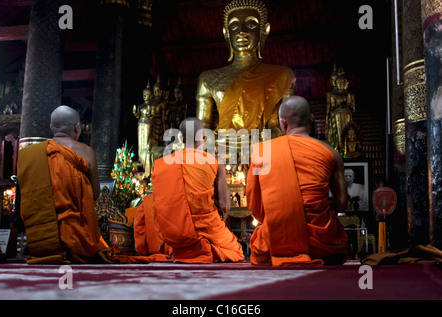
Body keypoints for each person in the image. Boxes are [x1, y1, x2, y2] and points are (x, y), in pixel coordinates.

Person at [247, 96, 349, 266]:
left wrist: (283, 216)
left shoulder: (262, 151)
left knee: (260, 243)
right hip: (322, 244)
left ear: (283, 122)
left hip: (275, 241)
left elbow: (256, 208)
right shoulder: (331, 153)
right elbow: (341, 204)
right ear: (311, 118)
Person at [17, 105, 112, 264]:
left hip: (41, 241)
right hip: (77, 238)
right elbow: (95, 194)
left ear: (51, 127)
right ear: (77, 127)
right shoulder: (86, 152)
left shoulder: (31, 155)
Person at [145, 117, 244, 263]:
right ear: (203, 138)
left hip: (175, 234)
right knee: (235, 251)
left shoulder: (163, 164)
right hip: (207, 228)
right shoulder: (214, 163)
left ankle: (187, 249)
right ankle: (203, 247)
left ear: (181, 138)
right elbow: (225, 206)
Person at [196, 0, 295, 137]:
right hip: (223, 148)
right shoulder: (208, 78)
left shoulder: (282, 74)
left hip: (266, 147)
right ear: (226, 32)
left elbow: (289, 127)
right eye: (234, 26)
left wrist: (268, 135)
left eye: (251, 24)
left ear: (264, 30)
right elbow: (203, 126)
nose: (242, 31)